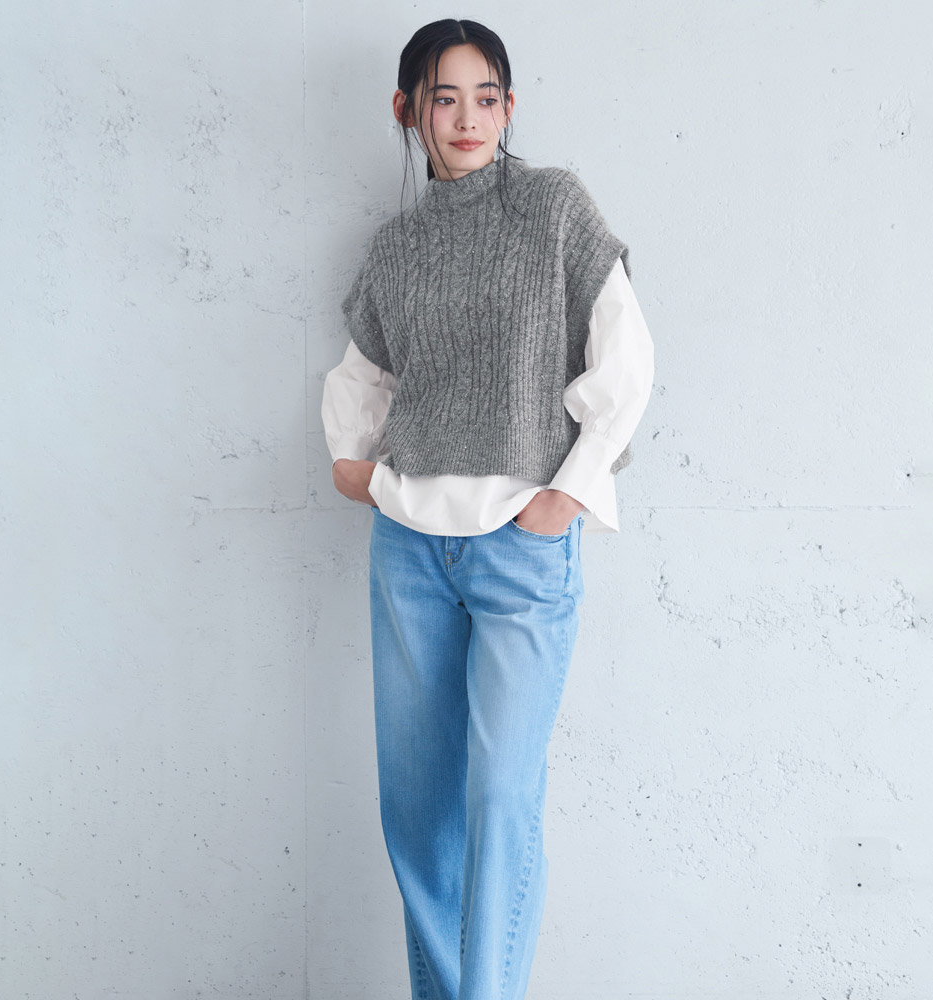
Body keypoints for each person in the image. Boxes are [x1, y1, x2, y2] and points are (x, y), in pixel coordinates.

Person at [321, 18, 655, 1000]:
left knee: (500, 794)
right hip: (410, 553)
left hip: (520, 551)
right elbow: (362, 378)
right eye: (444, 97)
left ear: (510, 108)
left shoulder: (553, 209)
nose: (467, 117)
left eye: (487, 96)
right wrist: (353, 467)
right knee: (419, 811)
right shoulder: (396, 248)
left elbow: (626, 356)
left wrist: (567, 492)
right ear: (407, 110)